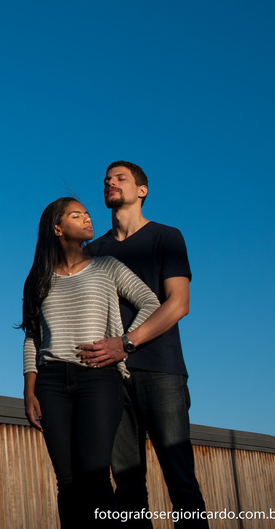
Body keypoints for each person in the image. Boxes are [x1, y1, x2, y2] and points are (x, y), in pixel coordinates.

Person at [77, 162, 210, 528]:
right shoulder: (93, 250)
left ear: (142, 190)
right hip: (109, 379)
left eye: (120, 178)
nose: (110, 182)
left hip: (161, 371)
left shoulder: (166, 237)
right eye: (106, 179)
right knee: (128, 489)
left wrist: (126, 343)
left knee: (180, 480)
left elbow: (178, 303)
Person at [20, 197, 165, 529]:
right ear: (57, 229)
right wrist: (29, 390)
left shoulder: (107, 266)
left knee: (96, 474)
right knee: (67, 480)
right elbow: (32, 336)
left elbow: (150, 302)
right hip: (51, 382)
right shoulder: (38, 279)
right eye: (76, 215)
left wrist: (123, 344)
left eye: (87, 213)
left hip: (99, 379)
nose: (87, 218)